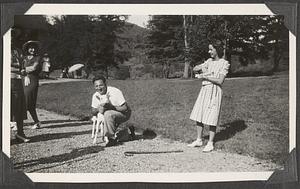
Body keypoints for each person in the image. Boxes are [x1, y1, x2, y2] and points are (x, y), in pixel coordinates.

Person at [188, 40, 230, 152]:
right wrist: (203, 68)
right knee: (199, 114)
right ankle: (199, 140)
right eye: (209, 49)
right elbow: (195, 68)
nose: (209, 51)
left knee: (212, 115)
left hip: (215, 90)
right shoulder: (208, 61)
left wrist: (206, 76)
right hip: (205, 89)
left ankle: (210, 142)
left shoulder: (224, 63)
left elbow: (220, 80)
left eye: (211, 49)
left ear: (217, 50)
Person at [91, 75, 133, 147]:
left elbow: (125, 108)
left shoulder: (115, 91)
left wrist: (111, 107)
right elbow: (93, 111)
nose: (99, 88)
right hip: (111, 115)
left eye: (101, 85)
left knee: (108, 113)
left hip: (124, 113)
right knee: (120, 137)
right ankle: (129, 132)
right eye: (96, 86)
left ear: (105, 84)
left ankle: (111, 138)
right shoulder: (95, 95)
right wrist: (98, 109)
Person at [11, 46, 30, 142]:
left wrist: (23, 71)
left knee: (19, 106)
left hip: (16, 80)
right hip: (6, 80)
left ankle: (20, 133)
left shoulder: (17, 51)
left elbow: (22, 66)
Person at [22, 41, 42, 129]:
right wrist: (22, 71)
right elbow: (20, 67)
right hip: (23, 80)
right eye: (30, 48)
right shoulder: (24, 58)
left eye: (34, 48)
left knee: (28, 100)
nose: (32, 50)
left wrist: (23, 70)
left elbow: (34, 68)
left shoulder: (38, 58)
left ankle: (18, 123)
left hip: (33, 80)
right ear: (27, 48)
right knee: (26, 102)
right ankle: (36, 122)